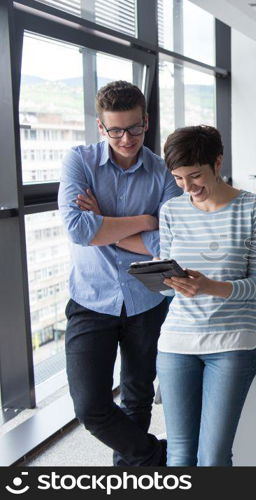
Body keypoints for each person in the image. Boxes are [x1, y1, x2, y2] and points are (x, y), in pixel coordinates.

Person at [57, 80, 181, 466]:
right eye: (116, 130)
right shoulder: (78, 161)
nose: (126, 138)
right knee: (90, 405)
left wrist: (105, 224)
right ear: (101, 127)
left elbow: (167, 245)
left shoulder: (163, 173)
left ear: (146, 122)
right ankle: (154, 455)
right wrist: (145, 220)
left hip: (146, 297)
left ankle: (131, 475)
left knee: (137, 397)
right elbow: (78, 229)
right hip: (90, 298)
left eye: (134, 128)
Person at [155, 126, 256, 466]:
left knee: (213, 457)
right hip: (177, 341)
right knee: (178, 455)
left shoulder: (253, 209)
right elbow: (167, 277)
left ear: (217, 162)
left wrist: (210, 287)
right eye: (178, 179)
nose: (188, 188)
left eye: (195, 176)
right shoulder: (171, 211)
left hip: (232, 342)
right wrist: (163, 278)